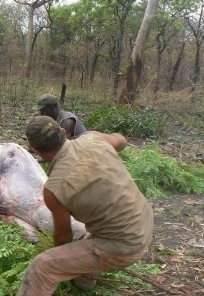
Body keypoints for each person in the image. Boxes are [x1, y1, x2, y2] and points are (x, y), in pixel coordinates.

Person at [17, 116, 154, 296]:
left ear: (36, 151)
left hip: (127, 246)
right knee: (90, 237)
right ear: (64, 133)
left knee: (42, 267)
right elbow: (121, 141)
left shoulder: (53, 189)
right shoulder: (93, 138)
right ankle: (83, 284)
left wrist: (57, 257)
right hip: (145, 222)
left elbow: (64, 238)